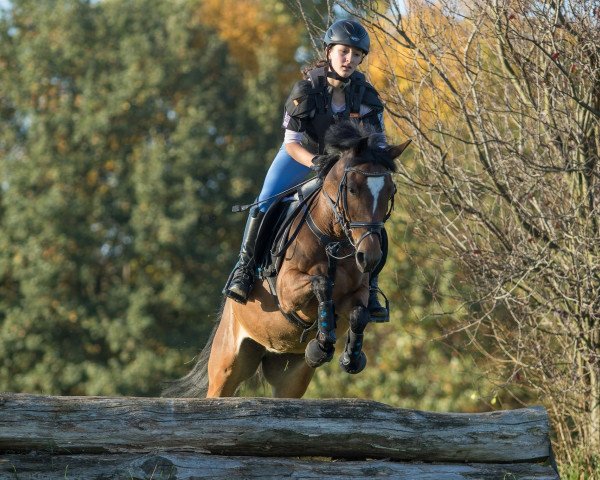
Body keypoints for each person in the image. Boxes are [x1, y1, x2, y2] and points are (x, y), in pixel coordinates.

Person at [224, 19, 389, 321]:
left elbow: (377, 145)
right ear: (329, 52)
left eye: (356, 55)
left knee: (371, 213)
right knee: (264, 201)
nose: (349, 59)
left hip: (344, 167)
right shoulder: (306, 90)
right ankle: (245, 270)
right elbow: (291, 143)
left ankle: (371, 286)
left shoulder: (366, 97)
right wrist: (315, 162)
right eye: (343, 52)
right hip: (303, 156)